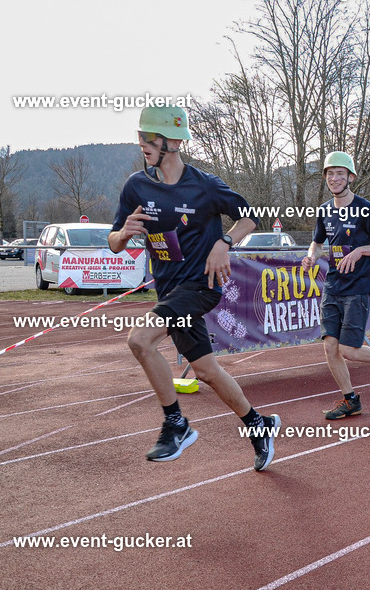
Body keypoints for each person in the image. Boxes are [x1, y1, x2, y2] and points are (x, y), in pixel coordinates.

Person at [109, 105, 279, 471]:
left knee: (139, 340)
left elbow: (250, 216)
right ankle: (258, 424)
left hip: (202, 286)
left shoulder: (205, 185)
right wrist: (123, 234)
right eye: (138, 137)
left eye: (147, 137)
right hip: (170, 293)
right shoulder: (136, 185)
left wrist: (226, 243)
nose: (141, 144)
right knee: (206, 371)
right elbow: (113, 240)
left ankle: (176, 424)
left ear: (171, 141)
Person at [302, 151, 370, 420]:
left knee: (349, 349)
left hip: (358, 287)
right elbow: (317, 241)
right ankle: (351, 400)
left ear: (350, 177)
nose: (334, 178)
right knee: (329, 347)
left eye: (340, 173)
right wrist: (312, 256)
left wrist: (360, 251)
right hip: (333, 286)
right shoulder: (324, 210)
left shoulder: (365, 208)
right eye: (329, 174)